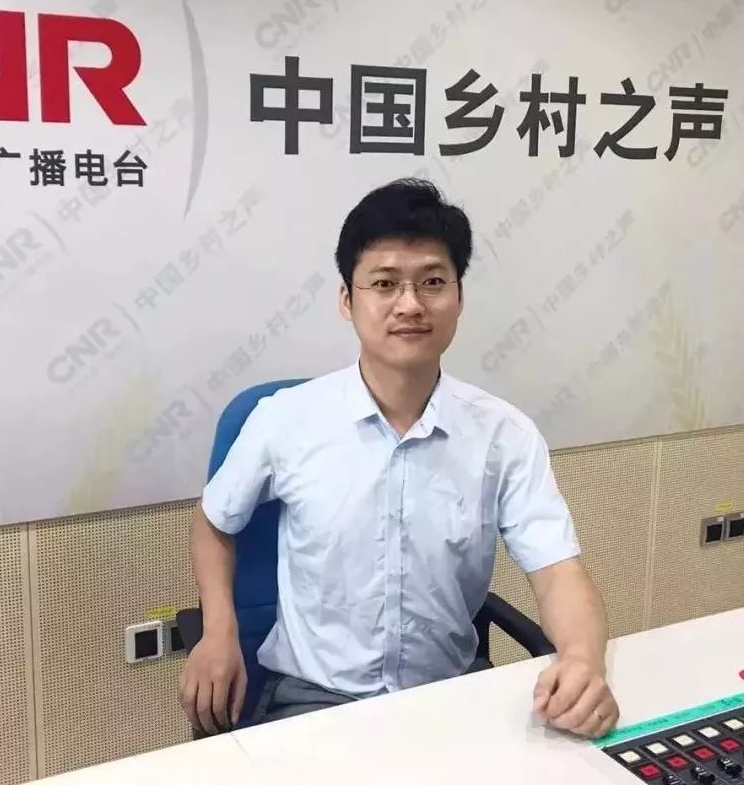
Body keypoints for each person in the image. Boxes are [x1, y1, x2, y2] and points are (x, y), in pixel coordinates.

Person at [178, 178, 618, 738]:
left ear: (459, 297)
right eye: (384, 283)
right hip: (315, 700)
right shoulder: (284, 420)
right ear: (347, 299)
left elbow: (558, 572)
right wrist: (219, 631)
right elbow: (214, 522)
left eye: (432, 282)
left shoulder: (503, 435)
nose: (409, 304)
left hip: (452, 693)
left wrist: (582, 661)